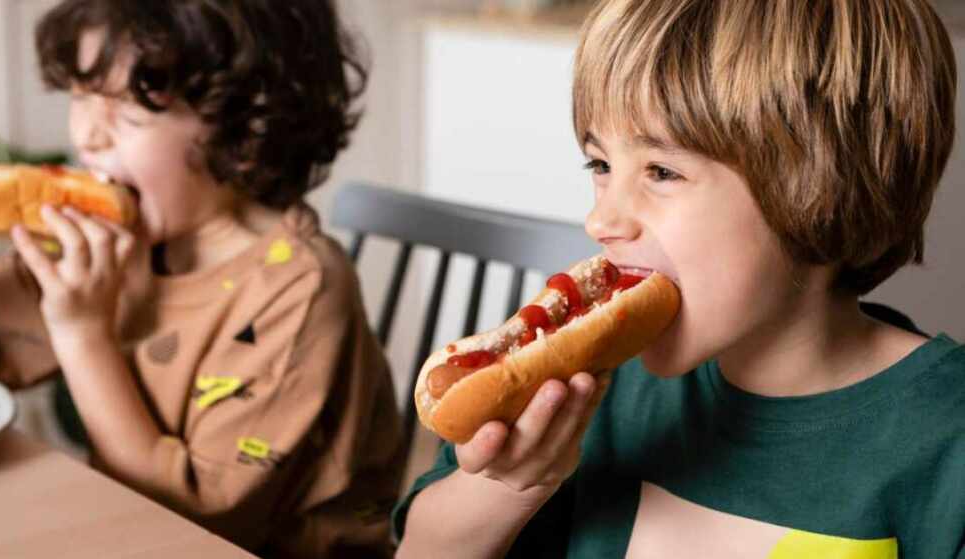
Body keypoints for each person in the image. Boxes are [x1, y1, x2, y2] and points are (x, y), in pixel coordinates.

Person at [394, 0, 965, 556]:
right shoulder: (592, 393)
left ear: (825, 190)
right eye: (600, 165)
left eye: (662, 171)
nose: (601, 220)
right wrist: (505, 487)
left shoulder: (947, 443)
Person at [0, 1, 403, 556]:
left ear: (244, 126)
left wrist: (82, 333)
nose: (87, 135)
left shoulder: (300, 291)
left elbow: (191, 524)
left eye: (130, 114)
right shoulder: (116, 242)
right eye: (82, 95)